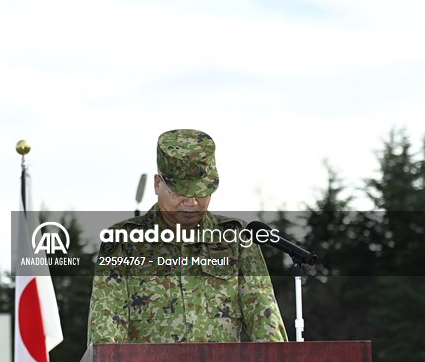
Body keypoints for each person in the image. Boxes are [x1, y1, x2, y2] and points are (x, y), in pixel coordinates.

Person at [87, 129, 287, 344]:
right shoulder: (122, 242)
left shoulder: (236, 238)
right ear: (157, 184)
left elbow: (262, 311)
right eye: (180, 192)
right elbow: (105, 322)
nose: (192, 202)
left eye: (201, 192)